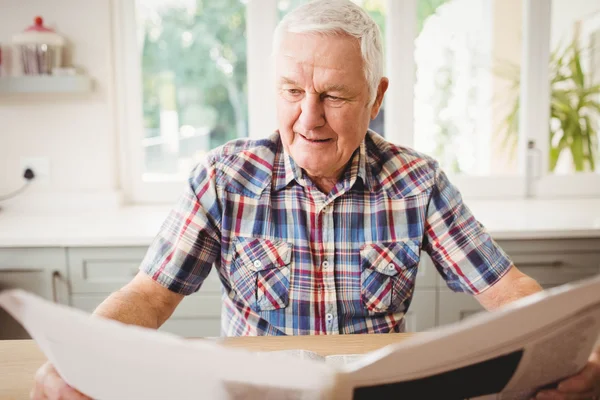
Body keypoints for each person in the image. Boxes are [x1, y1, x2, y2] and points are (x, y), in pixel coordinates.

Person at [30, 1, 600, 399]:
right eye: (292, 91)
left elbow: (506, 289)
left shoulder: (417, 181)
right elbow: (148, 296)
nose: (308, 118)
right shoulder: (225, 176)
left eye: (333, 95)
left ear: (376, 97)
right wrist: (78, 363)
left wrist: (574, 354)